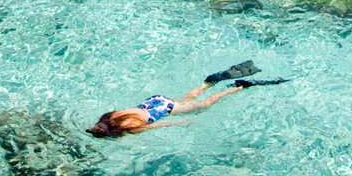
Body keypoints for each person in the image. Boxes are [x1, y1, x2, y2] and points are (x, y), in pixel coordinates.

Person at [86, 62, 288, 138]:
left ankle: (240, 86)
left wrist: (182, 123)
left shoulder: (130, 128)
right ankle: (207, 83)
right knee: (186, 100)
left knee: (206, 104)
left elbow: (159, 125)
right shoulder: (109, 116)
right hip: (155, 101)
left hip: (164, 110)